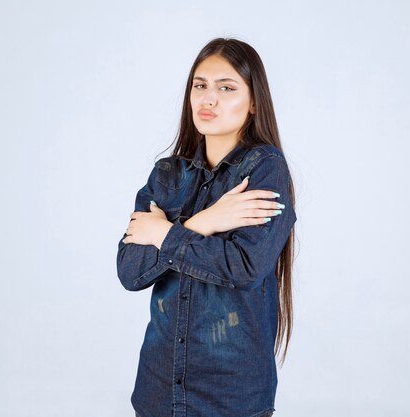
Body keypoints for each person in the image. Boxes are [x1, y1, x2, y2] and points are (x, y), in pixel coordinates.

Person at [116, 37, 297, 417]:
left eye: (226, 88)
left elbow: (243, 266)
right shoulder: (167, 175)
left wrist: (164, 233)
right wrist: (206, 221)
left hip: (230, 396)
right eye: (200, 86)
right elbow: (130, 272)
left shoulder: (264, 169)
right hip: (158, 390)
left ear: (253, 103)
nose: (208, 99)